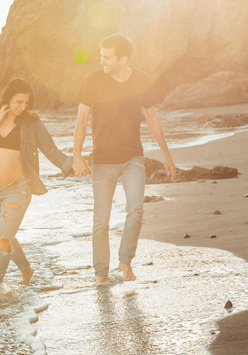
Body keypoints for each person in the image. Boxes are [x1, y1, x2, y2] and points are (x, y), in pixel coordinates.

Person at [72, 33, 176, 284]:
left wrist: (167, 155)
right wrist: (76, 156)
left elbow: (152, 117)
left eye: (107, 57)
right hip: (102, 160)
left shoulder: (141, 80)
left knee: (136, 209)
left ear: (123, 58)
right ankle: (101, 274)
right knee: (101, 221)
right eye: (101, 56)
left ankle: (125, 261)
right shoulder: (93, 80)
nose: (102, 61)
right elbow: (82, 119)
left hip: (133, 157)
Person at [0, 78, 73, 290]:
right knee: (2, 236)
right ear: (8, 98)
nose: (23, 107)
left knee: (3, 240)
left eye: (26, 102)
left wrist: (73, 164)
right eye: (19, 102)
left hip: (18, 189)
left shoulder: (31, 122)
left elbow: (50, 149)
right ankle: (26, 269)